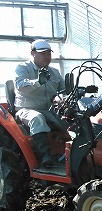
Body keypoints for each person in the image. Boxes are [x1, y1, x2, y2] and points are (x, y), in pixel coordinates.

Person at [14, 39, 65, 167]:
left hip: (48, 110)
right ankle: (45, 157)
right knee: (37, 118)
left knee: (73, 121)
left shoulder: (55, 72)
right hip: (26, 109)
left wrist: (65, 97)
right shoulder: (22, 68)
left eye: (49, 53)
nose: (47, 56)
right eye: (43, 53)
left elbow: (64, 90)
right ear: (33, 53)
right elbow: (20, 85)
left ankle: (70, 154)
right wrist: (38, 82)